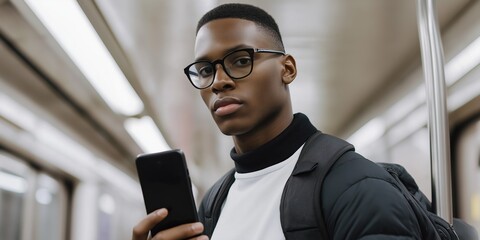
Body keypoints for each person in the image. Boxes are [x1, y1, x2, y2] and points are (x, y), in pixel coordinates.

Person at [132, 3, 424, 240]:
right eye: (205, 69)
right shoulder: (213, 203)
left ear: (287, 69)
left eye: (241, 60)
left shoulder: (355, 187)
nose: (219, 82)